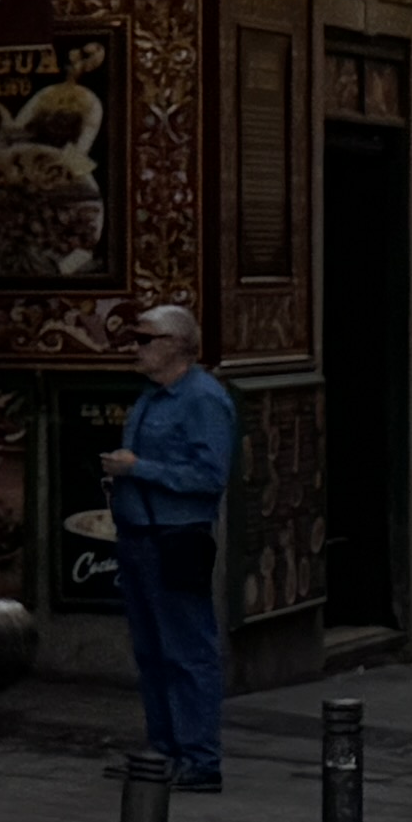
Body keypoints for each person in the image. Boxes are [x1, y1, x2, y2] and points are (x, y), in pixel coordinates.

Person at [111, 303, 238, 791]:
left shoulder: (202, 399)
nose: (136, 348)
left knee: (187, 650)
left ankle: (200, 758)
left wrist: (138, 468)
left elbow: (210, 477)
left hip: (176, 535)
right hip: (139, 533)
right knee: (151, 651)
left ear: (175, 346)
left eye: (145, 339)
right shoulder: (151, 398)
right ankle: (163, 749)